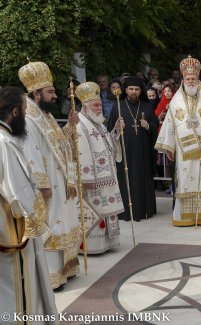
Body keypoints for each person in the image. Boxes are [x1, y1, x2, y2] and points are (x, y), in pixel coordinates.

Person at [18, 61, 80, 290]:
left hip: (60, 181)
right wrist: (42, 185)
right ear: (36, 94)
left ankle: (67, 268)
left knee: (65, 223)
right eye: (50, 92)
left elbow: (59, 144)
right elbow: (31, 154)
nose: (55, 95)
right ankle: (53, 276)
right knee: (53, 225)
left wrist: (69, 128)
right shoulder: (28, 119)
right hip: (48, 186)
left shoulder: (47, 116)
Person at [0, 86, 58, 323]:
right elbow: (19, 192)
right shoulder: (5, 142)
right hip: (14, 227)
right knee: (20, 281)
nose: (25, 116)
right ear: (15, 112)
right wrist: (41, 226)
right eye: (24, 111)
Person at [155, 56, 201, 227]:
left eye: (193, 78)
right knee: (185, 180)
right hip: (184, 150)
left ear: (198, 78)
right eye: (188, 78)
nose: (191, 81)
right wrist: (170, 148)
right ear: (183, 79)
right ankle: (184, 216)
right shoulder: (176, 99)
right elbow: (170, 123)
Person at [75, 82, 125, 254]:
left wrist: (116, 131)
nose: (99, 108)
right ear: (85, 106)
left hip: (107, 177)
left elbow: (108, 145)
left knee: (106, 210)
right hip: (93, 180)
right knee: (95, 211)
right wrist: (87, 178)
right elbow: (80, 153)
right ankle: (93, 246)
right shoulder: (80, 125)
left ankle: (107, 243)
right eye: (95, 105)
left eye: (100, 105)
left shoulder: (99, 123)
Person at [107, 76, 158, 222]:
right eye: (131, 89)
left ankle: (144, 210)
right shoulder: (118, 106)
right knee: (126, 179)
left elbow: (155, 126)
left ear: (141, 90)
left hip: (143, 153)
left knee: (142, 180)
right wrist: (116, 128)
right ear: (126, 90)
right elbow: (109, 131)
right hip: (124, 152)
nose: (133, 92)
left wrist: (148, 126)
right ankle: (125, 212)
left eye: (136, 89)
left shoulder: (147, 107)